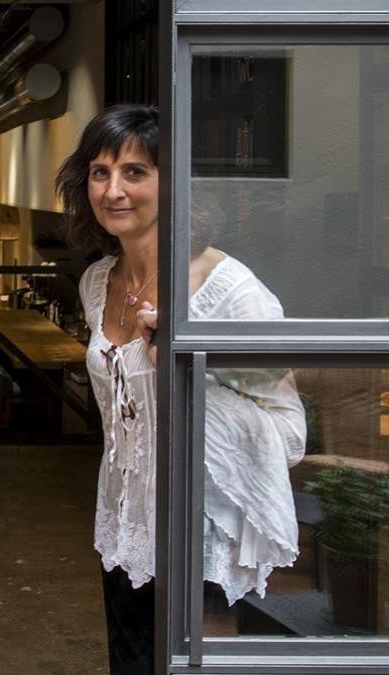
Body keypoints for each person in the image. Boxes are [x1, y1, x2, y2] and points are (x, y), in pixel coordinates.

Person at [55, 104, 305, 675]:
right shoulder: (98, 282)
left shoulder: (226, 290)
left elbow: (290, 435)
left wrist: (182, 366)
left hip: (202, 538)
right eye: (99, 172)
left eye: (135, 172)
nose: (113, 190)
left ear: (173, 184)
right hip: (125, 529)